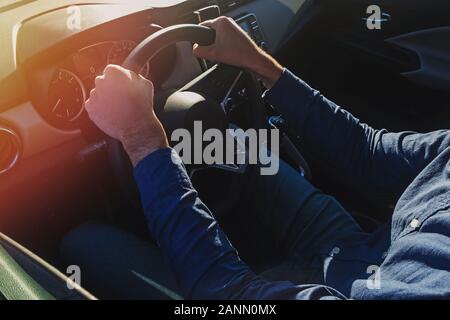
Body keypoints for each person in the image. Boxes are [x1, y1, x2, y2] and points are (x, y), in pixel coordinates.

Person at [61, 17, 450, 299]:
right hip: (352, 248)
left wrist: (140, 137)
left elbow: (227, 290)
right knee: (218, 136)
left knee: (81, 240)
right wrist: (259, 63)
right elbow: (369, 154)